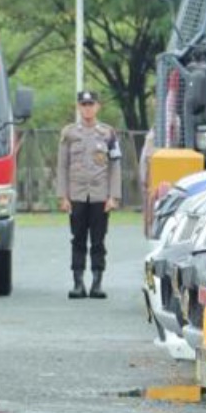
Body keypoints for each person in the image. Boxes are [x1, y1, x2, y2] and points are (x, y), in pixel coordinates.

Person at [55, 89, 123, 300]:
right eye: (83, 105)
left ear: (98, 107)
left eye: (91, 104)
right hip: (77, 195)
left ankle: (97, 283)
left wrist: (113, 196)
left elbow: (115, 165)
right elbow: (62, 166)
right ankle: (78, 284)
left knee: (98, 241)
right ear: (78, 107)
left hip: (100, 195)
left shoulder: (108, 133)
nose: (87, 108)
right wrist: (63, 196)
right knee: (77, 239)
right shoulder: (69, 134)